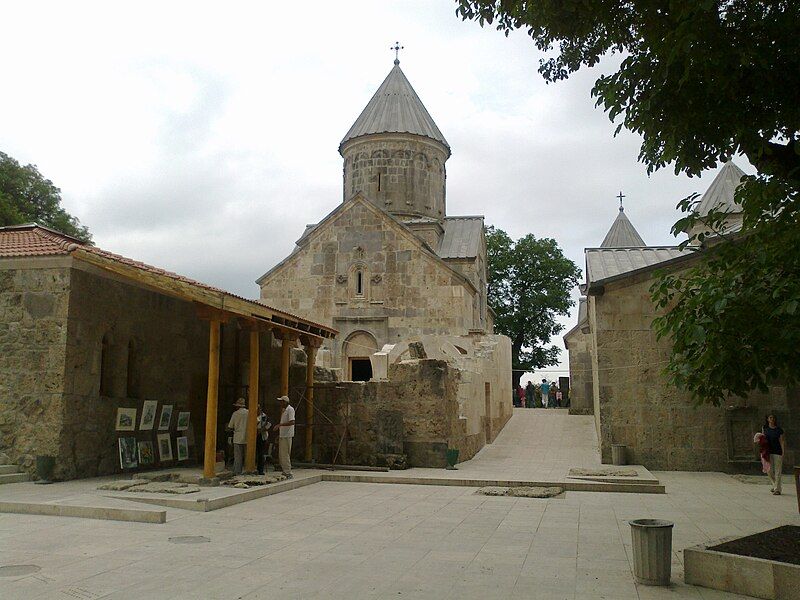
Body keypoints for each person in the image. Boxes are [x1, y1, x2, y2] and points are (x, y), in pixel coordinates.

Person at [273, 395, 296, 479]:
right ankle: (285, 471)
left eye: (282, 401)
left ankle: (288, 472)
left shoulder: (290, 409)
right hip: (283, 435)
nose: (280, 403)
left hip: (287, 435)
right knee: (282, 454)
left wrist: (280, 425)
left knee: (285, 454)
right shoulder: (284, 410)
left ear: (285, 402)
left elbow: (292, 422)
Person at [762, 414, 785, 495]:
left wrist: (783, 452)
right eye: (770, 417)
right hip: (768, 452)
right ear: (767, 419)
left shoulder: (779, 430)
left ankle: (777, 489)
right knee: (769, 470)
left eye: (773, 418)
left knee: (778, 470)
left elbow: (781, 441)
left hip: (777, 451)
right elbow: (762, 440)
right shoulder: (765, 429)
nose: (772, 419)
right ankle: (775, 485)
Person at [226, 398, 249, 475]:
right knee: (247, 455)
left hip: (237, 437)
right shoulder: (249, 413)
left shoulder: (235, 414)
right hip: (247, 436)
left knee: (238, 456)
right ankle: (247, 470)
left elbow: (230, 426)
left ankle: (237, 471)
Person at [256, 405, 272, 475]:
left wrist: (261, 430)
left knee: (261, 453)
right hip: (254, 435)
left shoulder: (264, 416)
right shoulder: (252, 415)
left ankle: (260, 470)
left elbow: (268, 425)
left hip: (262, 436)